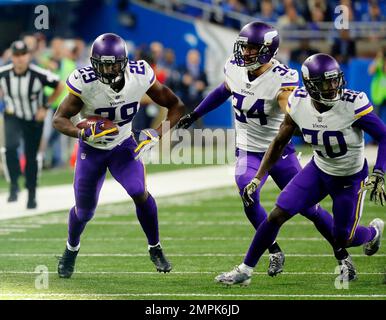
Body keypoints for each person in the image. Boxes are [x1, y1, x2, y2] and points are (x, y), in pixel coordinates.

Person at [177, 22, 356, 278]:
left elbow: (289, 107)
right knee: (246, 190)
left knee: (308, 208)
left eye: (252, 48)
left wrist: (311, 125)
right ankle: (273, 250)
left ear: (267, 50)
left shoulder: (283, 77)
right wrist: (195, 114)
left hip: (279, 154)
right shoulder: (235, 67)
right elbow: (224, 90)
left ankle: (343, 256)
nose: (245, 53)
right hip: (247, 150)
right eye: (244, 47)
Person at [215, 53, 385, 286]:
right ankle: (245, 269)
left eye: (335, 80)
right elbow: (278, 142)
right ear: (311, 85)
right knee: (277, 214)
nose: (333, 87)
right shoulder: (298, 102)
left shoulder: (352, 103)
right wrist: (258, 177)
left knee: (343, 237)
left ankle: (373, 233)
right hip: (318, 170)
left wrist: (380, 172)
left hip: (349, 178)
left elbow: (384, 136)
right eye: (326, 83)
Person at [52, 33, 185, 278]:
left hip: (123, 145)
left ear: (124, 62)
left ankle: (155, 247)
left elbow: (176, 106)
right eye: (102, 63)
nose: (107, 69)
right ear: (93, 62)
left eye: (112, 63)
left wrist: (157, 133)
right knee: (84, 212)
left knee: (138, 191)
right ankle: (71, 249)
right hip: (91, 150)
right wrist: (81, 134)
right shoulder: (85, 81)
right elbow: (59, 119)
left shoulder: (140, 74)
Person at [0, 40, 64, 209]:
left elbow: (59, 85)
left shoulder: (38, 74)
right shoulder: (4, 73)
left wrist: (45, 106)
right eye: (16, 55)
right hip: (12, 115)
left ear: (28, 56)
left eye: (23, 55)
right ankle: (14, 185)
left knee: (31, 156)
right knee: (10, 148)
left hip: (34, 119)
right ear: (11, 56)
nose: (20, 59)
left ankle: (31, 194)